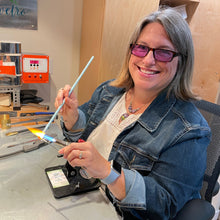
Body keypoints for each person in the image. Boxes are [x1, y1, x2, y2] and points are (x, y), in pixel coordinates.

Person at [55, 7, 211, 220]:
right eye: (141, 48)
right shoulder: (109, 91)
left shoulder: (190, 130)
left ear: (181, 62)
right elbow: (82, 132)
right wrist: (72, 117)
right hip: (82, 195)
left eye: (164, 52)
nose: (147, 60)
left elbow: (165, 204)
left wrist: (108, 173)